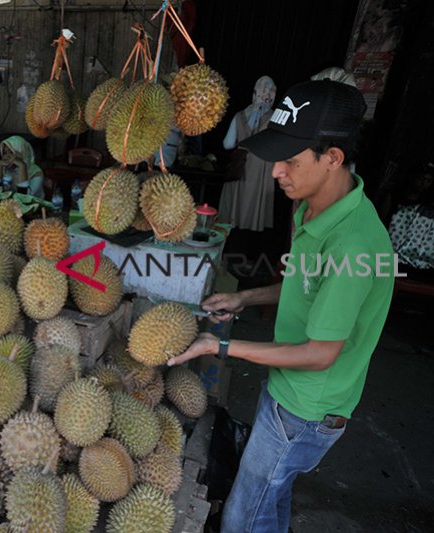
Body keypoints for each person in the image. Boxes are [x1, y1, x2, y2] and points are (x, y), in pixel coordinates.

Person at [169, 80, 394, 533]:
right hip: (288, 391)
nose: (275, 172)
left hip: (307, 409)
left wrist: (222, 346)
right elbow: (303, 284)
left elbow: (319, 353)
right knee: (270, 495)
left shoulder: (354, 244)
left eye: (290, 161)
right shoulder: (311, 207)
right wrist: (243, 297)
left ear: (332, 159)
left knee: (242, 516)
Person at [218, 75, 277, 231]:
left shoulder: (240, 116)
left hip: (240, 165)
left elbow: (228, 144)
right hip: (261, 169)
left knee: (233, 211)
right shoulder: (276, 118)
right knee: (253, 211)